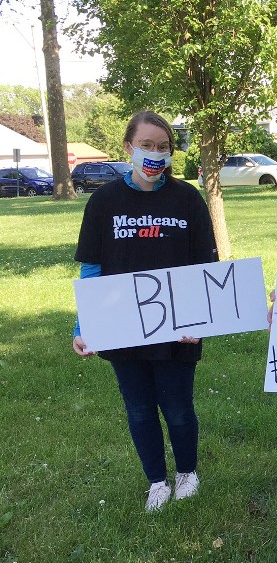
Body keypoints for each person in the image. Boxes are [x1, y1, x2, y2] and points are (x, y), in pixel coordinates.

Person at [73, 111, 218, 511]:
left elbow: (206, 266)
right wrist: (83, 324)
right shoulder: (104, 202)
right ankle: (157, 480)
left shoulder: (187, 199)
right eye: (146, 145)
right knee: (139, 410)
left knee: (178, 408)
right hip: (122, 328)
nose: (155, 154)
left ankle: (187, 473)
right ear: (128, 148)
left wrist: (201, 319)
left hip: (179, 328)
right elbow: (92, 268)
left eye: (163, 147)